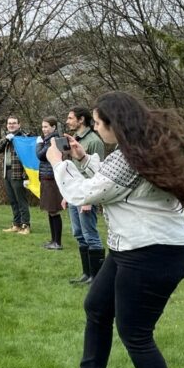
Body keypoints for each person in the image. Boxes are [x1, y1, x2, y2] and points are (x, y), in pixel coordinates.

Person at [46, 91, 184, 368]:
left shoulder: (130, 158)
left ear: (116, 124)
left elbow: (82, 193)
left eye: (100, 123)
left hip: (151, 253)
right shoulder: (139, 150)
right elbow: (109, 182)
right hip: (135, 248)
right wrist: (83, 160)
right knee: (98, 307)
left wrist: (59, 165)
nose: (98, 129)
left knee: (136, 334)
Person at [65, 106, 106, 284]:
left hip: (87, 196)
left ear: (81, 120)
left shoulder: (94, 141)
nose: (68, 121)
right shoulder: (75, 139)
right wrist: (66, 194)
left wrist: (90, 199)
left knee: (90, 235)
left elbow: (98, 172)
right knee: (78, 234)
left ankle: (97, 278)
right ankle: (86, 274)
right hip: (75, 193)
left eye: (70, 118)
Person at [0, 115, 31, 235]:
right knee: (13, 200)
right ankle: (16, 224)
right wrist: (6, 139)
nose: (11, 125)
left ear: (19, 124)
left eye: (14, 123)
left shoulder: (24, 138)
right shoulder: (7, 138)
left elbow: (28, 159)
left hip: (18, 173)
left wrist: (26, 176)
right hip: (7, 172)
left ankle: (26, 225)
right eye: (9, 123)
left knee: (21, 200)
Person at [35, 116, 65, 250]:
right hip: (46, 177)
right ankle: (53, 240)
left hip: (52, 179)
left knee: (54, 210)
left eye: (46, 126)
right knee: (50, 210)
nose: (44, 129)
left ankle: (57, 242)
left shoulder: (53, 141)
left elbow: (40, 155)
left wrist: (38, 144)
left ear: (53, 127)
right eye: (42, 127)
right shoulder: (48, 140)